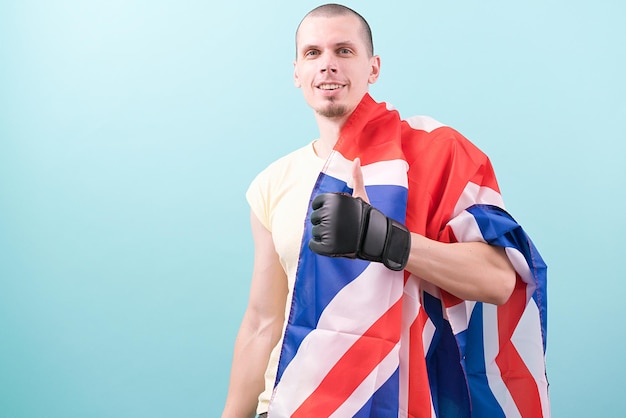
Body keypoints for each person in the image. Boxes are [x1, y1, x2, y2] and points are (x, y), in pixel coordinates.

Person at [222, 4, 548, 418]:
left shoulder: (435, 155)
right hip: (294, 402)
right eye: (312, 53)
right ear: (296, 73)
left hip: (404, 401)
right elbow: (262, 322)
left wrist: (387, 239)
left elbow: (500, 281)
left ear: (373, 68)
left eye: (344, 51)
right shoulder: (272, 182)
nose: (327, 66)